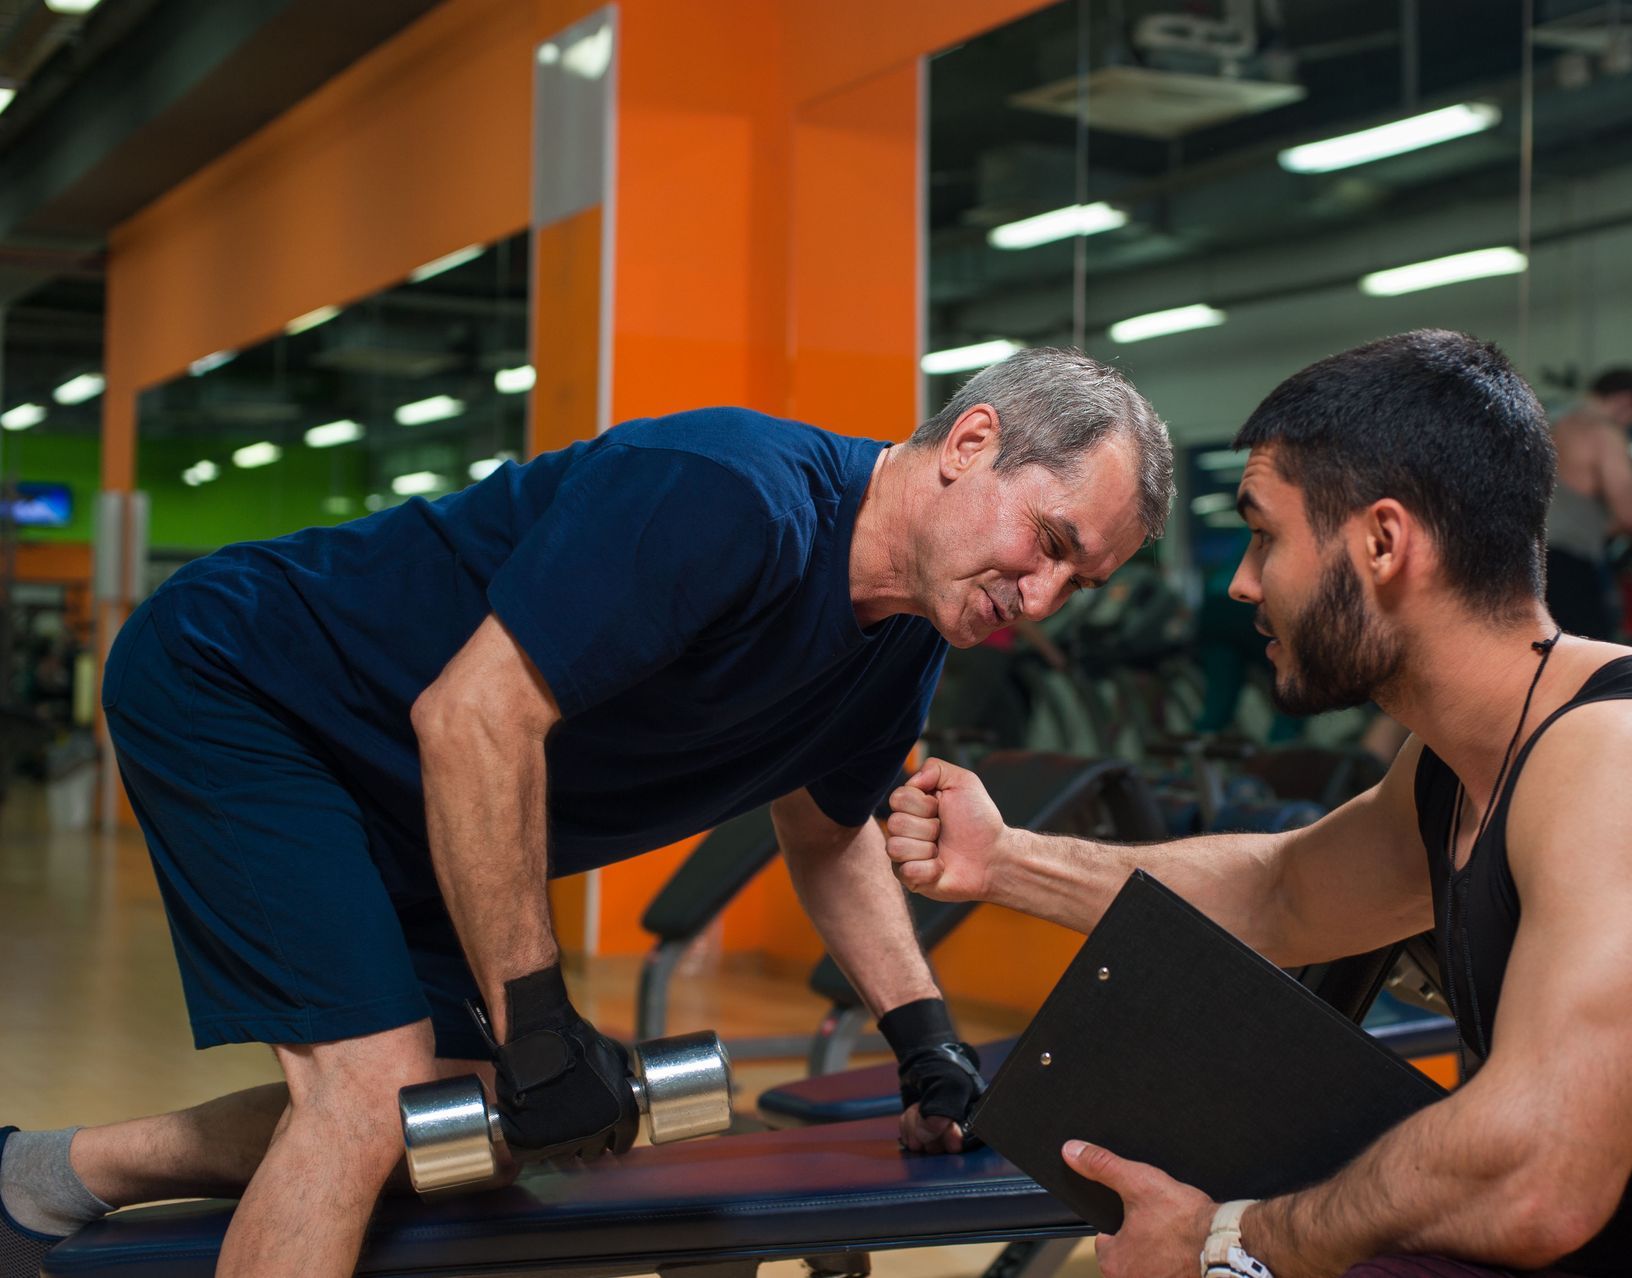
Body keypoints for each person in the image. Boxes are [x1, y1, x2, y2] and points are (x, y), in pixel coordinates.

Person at [0, 348, 1173, 1278]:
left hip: (413, 802)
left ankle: (53, 1176)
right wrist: (538, 1022)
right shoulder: (733, 498)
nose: (1046, 597)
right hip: (249, 687)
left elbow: (826, 830)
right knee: (369, 1106)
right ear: (972, 443)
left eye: (1083, 580)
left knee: (458, 1135)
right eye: (1052, 543)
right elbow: (473, 719)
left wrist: (926, 1043)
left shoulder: (901, 648)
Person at [888, 331, 1632, 1277]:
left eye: (1263, 535)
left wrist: (1236, 1242)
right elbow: (1280, 893)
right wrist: (1005, 860)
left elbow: (1535, 1178)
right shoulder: (1458, 762)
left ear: (1381, 543)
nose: (1242, 585)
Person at [1543, 366, 1632, 639]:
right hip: (1568, 563)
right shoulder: (1603, 431)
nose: (1629, 425)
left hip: (1526, 563)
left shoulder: (1550, 426)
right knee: (1588, 664)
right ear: (1625, 401)